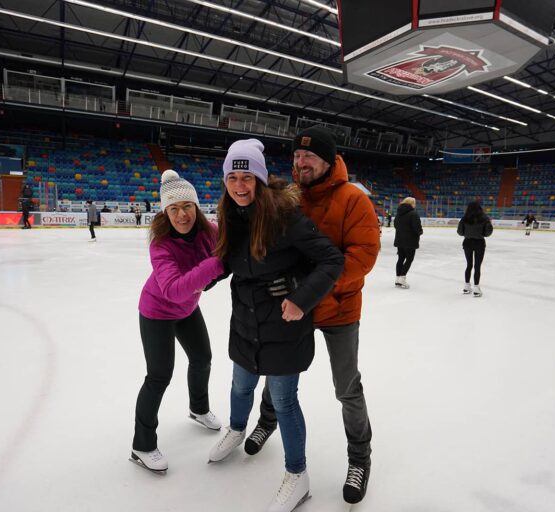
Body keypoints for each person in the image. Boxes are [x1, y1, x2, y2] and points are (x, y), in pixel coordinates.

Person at [207, 138, 344, 512]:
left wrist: (301, 299)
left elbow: (331, 261)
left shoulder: (287, 219)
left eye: (246, 176)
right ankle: (236, 430)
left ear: (261, 180)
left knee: (283, 401)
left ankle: (297, 474)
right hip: (245, 322)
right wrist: (195, 282)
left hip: (284, 327)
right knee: (240, 385)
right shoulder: (230, 218)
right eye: (232, 177)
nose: (239, 185)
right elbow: (226, 264)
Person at [248, 126, 381, 505]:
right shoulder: (288, 198)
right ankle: (266, 422)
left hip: (339, 308)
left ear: (327, 161)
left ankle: (360, 458)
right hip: (296, 308)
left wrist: (310, 289)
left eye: (308, 157)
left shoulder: (354, 200)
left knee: (346, 387)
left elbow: (362, 257)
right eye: (295, 156)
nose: (300, 162)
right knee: (277, 372)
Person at [131, 170, 225, 474]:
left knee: (202, 358)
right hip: (157, 310)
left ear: (196, 208)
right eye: (173, 208)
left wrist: (214, 274)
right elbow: (172, 289)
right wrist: (215, 266)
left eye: (187, 206)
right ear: (165, 212)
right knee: (159, 376)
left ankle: (198, 409)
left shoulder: (209, 231)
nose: (181, 214)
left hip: (186, 309)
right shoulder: (160, 244)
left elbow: (228, 250)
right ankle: (142, 445)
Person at [457, 200, 493, 297]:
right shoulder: (484, 218)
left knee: (469, 265)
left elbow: (460, 232)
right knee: (477, 266)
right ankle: (476, 288)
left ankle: (466, 286)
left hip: (467, 242)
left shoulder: (464, 218)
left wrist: (468, 233)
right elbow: (488, 233)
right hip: (479, 243)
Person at [393, 196, 423, 289]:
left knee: (401, 258)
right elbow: (417, 228)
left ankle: (398, 279)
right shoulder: (413, 214)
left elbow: (395, 225)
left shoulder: (398, 213)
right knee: (409, 259)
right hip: (410, 241)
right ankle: (402, 278)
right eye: (414, 203)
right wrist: (420, 232)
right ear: (411, 204)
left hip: (400, 239)